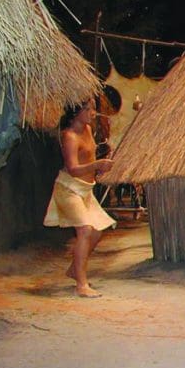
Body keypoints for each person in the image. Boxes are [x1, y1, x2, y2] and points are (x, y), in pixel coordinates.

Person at [43, 99, 116, 297]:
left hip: (85, 189)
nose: (92, 113)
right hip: (69, 189)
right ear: (75, 113)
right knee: (85, 230)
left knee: (97, 232)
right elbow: (74, 169)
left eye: (92, 108)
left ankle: (74, 269)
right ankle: (81, 284)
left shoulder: (88, 130)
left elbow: (89, 160)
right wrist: (96, 165)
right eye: (87, 109)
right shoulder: (70, 136)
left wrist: (99, 167)